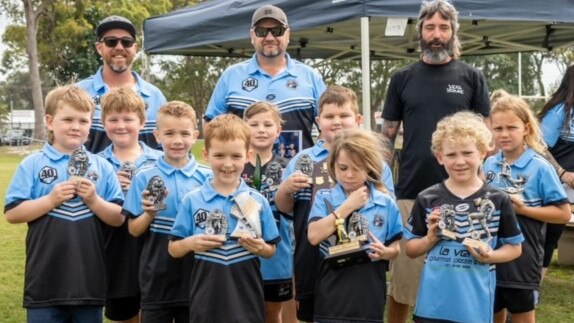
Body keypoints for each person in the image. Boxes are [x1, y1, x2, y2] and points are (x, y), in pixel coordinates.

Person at [380, 1, 490, 321]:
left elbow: (485, 137)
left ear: (454, 33)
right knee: (404, 280)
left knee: (460, 275)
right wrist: (383, 180)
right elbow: (387, 136)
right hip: (412, 190)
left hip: (465, 194)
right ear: (421, 32)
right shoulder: (402, 78)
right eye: (430, 27)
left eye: (444, 27)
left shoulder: (472, 77)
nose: (437, 34)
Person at [4, 85, 124, 323]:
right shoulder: (33, 164)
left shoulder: (102, 167)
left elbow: (118, 218)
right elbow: (13, 214)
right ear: (49, 121)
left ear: (91, 125)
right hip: (45, 281)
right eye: (67, 119)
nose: (76, 126)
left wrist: (93, 200)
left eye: (83, 120)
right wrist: (51, 200)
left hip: (89, 281)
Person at [275, 85, 395, 322]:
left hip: (359, 260)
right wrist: (286, 189)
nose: (336, 122)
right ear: (318, 121)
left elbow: (387, 207)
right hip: (311, 255)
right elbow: (284, 208)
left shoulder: (375, 162)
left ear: (358, 119)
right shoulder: (302, 159)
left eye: (344, 115)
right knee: (315, 315)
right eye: (329, 116)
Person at [405, 111, 523, 323]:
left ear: (483, 153)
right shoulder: (427, 198)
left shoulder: (498, 199)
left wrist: (491, 255)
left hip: (474, 306)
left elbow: (515, 247)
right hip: (432, 305)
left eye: (467, 153)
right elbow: (411, 249)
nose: (460, 161)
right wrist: (429, 239)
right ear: (440, 157)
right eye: (451, 155)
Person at [168, 114, 280, 323]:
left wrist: (259, 248)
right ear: (206, 155)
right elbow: (173, 249)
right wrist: (191, 243)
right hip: (206, 302)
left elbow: (271, 250)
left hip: (247, 301)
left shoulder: (257, 201)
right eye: (219, 155)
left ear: (247, 156)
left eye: (236, 156)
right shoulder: (192, 201)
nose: (228, 164)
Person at [483, 95, 571, 323]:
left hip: (523, 259)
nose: (503, 134)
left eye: (511, 127)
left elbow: (563, 213)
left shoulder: (540, 167)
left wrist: (523, 211)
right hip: (490, 255)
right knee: (491, 313)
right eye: (498, 128)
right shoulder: (489, 164)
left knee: (522, 315)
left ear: (526, 129)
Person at [122, 101, 210, 323]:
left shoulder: (208, 177)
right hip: (157, 276)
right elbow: (133, 230)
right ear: (157, 135)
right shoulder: (143, 176)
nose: (177, 140)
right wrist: (149, 214)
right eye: (169, 133)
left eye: (184, 133)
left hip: (199, 275)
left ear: (195, 135)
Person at [307, 128, 402, 322]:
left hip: (369, 293)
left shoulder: (385, 203)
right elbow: (314, 236)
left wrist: (386, 252)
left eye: (357, 168)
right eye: (343, 168)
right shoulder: (324, 198)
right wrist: (347, 206)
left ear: (370, 167)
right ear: (333, 166)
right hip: (331, 292)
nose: (349, 175)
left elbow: (396, 247)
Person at [204, 4, 326, 151]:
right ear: (252, 35)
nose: (269, 37)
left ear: (288, 34)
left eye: (277, 31)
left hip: (298, 173)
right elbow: (211, 126)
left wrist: (317, 159)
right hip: (243, 173)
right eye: (261, 31)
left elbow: (329, 127)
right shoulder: (231, 75)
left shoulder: (311, 76)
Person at [98, 88, 163, 323]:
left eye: (128, 119)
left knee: (158, 312)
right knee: (125, 315)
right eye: (113, 119)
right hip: (116, 249)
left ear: (143, 122)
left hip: (155, 247)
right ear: (103, 123)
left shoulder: (161, 160)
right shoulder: (97, 163)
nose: (121, 125)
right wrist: (108, 183)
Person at [78, 15, 167, 153]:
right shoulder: (79, 92)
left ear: (135, 48)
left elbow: (166, 148)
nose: (119, 47)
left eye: (126, 42)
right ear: (99, 47)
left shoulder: (156, 96)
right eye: (111, 41)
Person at [241, 102, 295, 323]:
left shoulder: (289, 167)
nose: (261, 129)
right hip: (241, 253)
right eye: (253, 124)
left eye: (267, 124)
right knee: (243, 310)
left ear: (279, 131)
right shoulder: (235, 164)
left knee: (272, 312)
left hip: (277, 255)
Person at [538, 65, 574, 280]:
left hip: (566, 189)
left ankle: (532, 292)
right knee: (544, 238)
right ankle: (529, 291)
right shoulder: (559, 112)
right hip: (552, 185)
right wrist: (562, 173)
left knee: (551, 238)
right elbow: (539, 147)